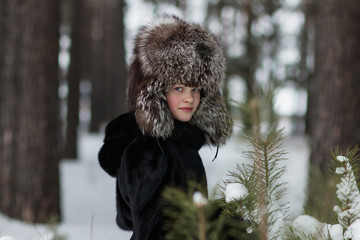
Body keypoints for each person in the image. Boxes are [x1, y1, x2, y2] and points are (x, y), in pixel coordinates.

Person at [98, 14, 232, 240]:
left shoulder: (179, 145)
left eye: (196, 89)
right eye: (179, 88)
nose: (189, 98)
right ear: (155, 92)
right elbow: (156, 231)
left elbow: (184, 218)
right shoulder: (150, 150)